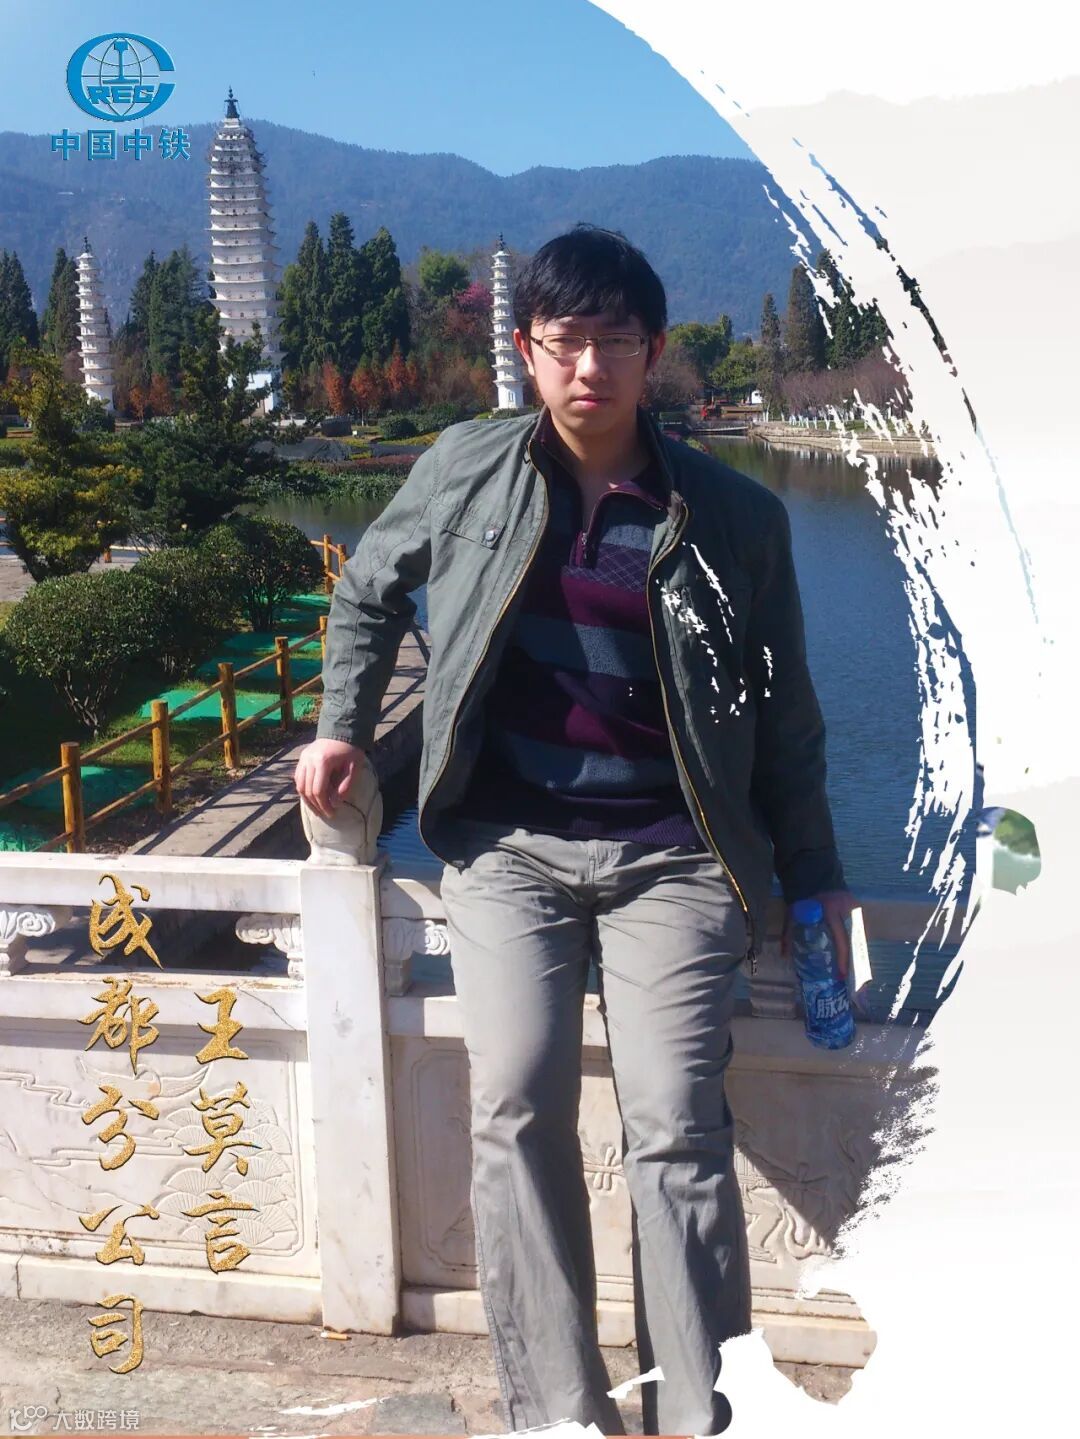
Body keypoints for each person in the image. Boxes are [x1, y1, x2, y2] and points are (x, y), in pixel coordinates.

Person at [294, 224, 855, 1435]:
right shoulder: (467, 467)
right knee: (515, 1103)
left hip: (674, 851)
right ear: (527, 349)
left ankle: (695, 1409)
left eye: (615, 339)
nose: (589, 365)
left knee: (676, 1124)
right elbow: (367, 588)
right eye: (565, 341)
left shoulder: (735, 516)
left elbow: (788, 710)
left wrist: (814, 872)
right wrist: (343, 727)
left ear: (654, 350)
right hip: (508, 844)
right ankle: (560, 1410)